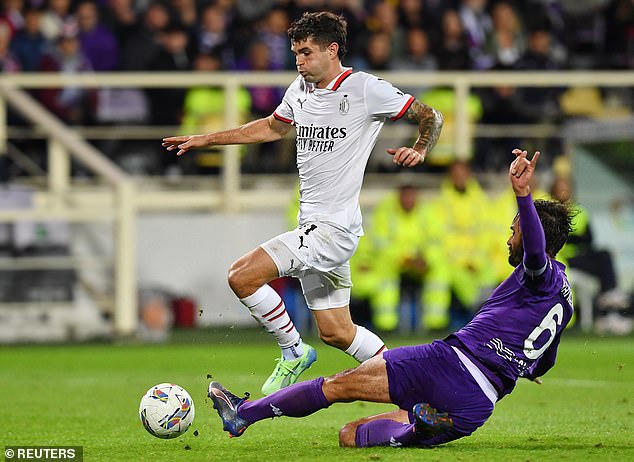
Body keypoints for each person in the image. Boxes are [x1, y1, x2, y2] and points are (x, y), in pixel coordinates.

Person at [207, 149, 575, 448]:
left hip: (447, 365)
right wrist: (519, 364)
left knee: (336, 387)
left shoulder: (537, 273)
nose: (508, 238)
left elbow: (535, 253)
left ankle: (244, 413)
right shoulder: (564, 299)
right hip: (477, 405)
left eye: (514, 231)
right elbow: (544, 364)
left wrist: (523, 197)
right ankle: (417, 427)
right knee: (349, 435)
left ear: (528, 233)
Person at [162, 11, 443, 396]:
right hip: (314, 226)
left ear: (332, 50)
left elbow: (431, 116)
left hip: (331, 231)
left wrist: (420, 149)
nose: (299, 61)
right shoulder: (300, 89)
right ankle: (411, 384)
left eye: (306, 52)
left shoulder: (364, 89)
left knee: (241, 275)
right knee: (337, 332)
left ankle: (292, 350)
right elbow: (271, 127)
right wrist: (206, 139)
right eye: (295, 52)